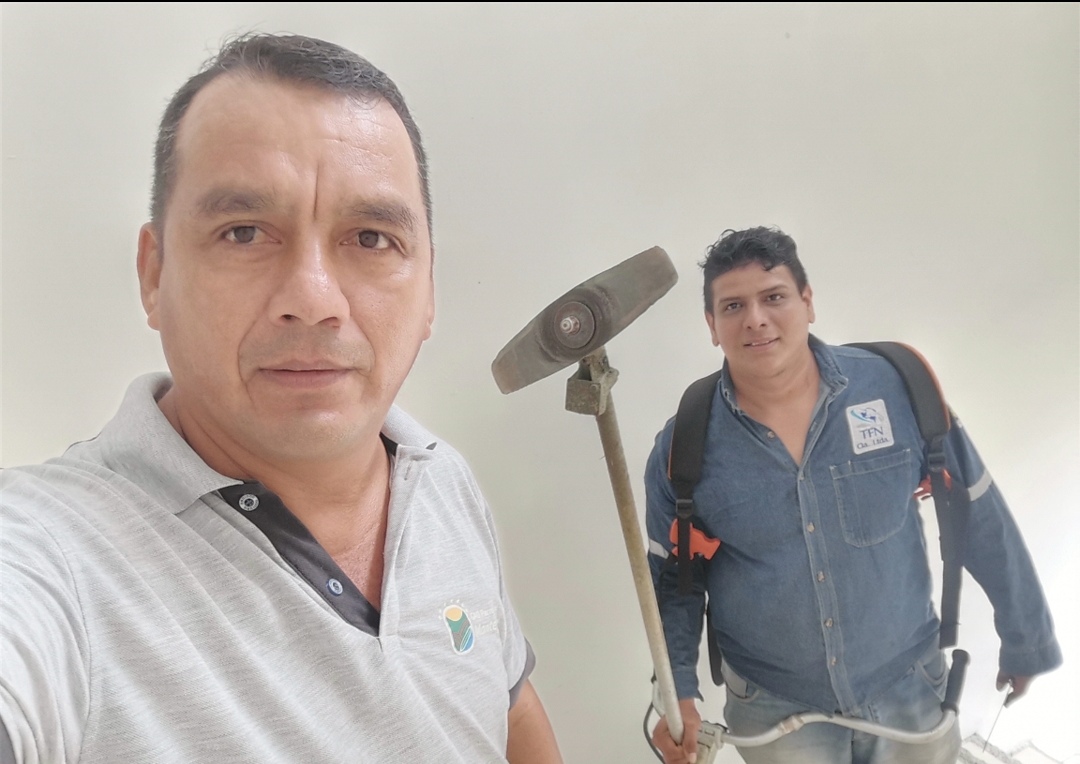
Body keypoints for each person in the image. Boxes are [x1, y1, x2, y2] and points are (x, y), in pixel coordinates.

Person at [0, 33, 562, 764]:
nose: (314, 299)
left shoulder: (439, 478)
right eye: (244, 233)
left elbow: (508, 703)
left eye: (370, 238)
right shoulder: (55, 556)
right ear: (154, 274)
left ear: (429, 290)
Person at [644, 226, 1061, 764]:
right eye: (733, 306)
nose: (755, 319)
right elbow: (673, 584)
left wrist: (1027, 637)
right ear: (711, 325)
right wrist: (676, 692)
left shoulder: (899, 388)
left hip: (910, 688)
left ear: (808, 302)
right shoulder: (685, 446)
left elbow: (976, 510)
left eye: (774, 296)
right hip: (775, 709)